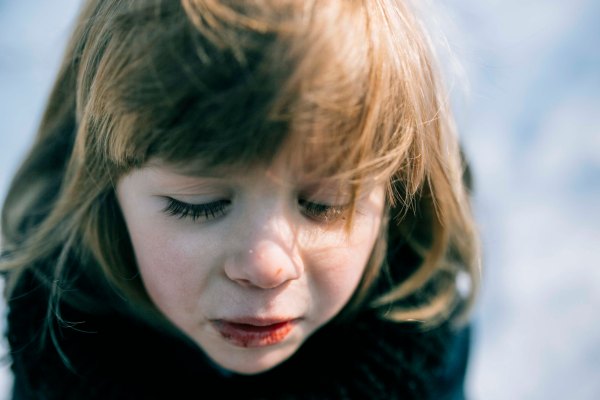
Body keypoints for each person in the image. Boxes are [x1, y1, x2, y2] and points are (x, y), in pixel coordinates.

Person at [0, 0, 480, 398]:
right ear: (103, 187)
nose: (265, 266)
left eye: (325, 204)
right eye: (198, 204)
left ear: (397, 189)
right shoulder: (56, 351)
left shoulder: (419, 331)